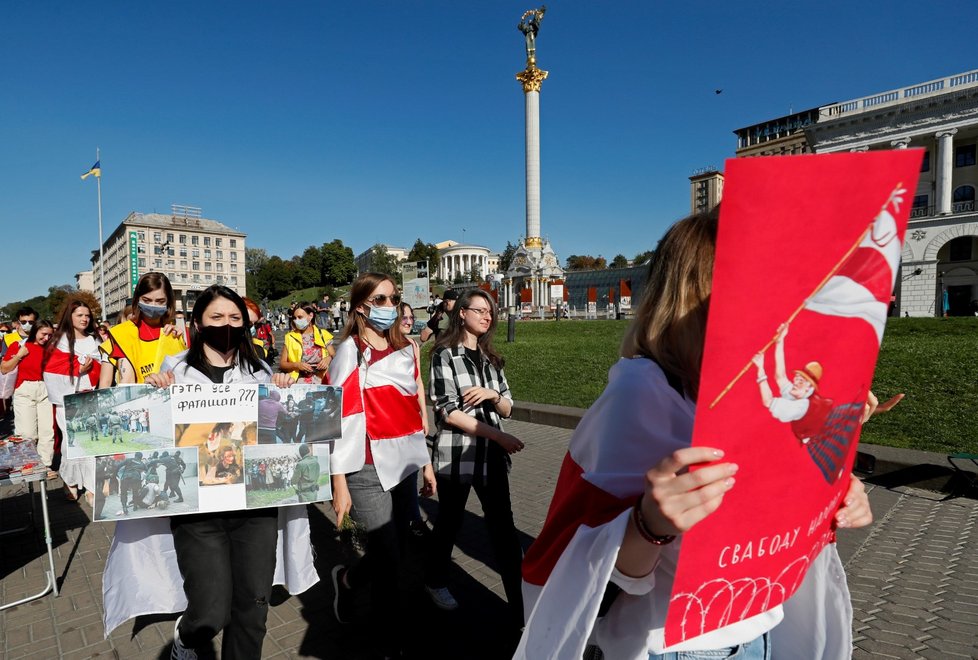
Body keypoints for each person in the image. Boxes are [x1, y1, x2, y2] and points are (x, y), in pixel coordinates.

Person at [515, 209, 876, 660]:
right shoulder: (642, 391)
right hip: (682, 643)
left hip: (761, 626)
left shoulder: (746, 383)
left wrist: (837, 494)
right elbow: (592, 569)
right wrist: (651, 523)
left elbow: (773, 486)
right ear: (702, 293)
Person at [105, 284, 309, 659]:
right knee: (211, 610)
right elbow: (145, 434)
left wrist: (284, 391)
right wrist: (152, 394)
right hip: (198, 514)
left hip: (254, 511)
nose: (226, 325)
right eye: (216, 317)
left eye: (235, 318)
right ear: (198, 322)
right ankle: (186, 638)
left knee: (253, 607)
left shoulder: (260, 372)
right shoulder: (175, 372)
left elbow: (281, 434)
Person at [327, 273, 436, 659]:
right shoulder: (349, 352)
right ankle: (390, 643)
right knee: (389, 557)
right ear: (360, 306)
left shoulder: (407, 349)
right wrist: (338, 480)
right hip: (366, 468)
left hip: (404, 463)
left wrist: (425, 465)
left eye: (393, 299)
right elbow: (335, 418)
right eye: (380, 299)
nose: (389, 307)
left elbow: (412, 411)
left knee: (398, 548)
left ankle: (349, 578)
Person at [423, 289, 525, 624]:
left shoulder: (491, 359)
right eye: (479, 310)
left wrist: (492, 395)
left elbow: (508, 407)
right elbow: (447, 411)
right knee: (449, 522)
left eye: (490, 312)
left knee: (504, 529)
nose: (487, 316)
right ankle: (436, 580)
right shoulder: (444, 355)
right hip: (457, 457)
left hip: (492, 458)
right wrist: (498, 435)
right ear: (462, 313)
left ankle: (521, 601)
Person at [43, 297, 102, 498]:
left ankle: (92, 486)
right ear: (70, 316)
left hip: (90, 397)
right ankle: (70, 482)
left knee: (91, 442)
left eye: (87, 315)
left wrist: (89, 369)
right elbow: (51, 371)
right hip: (66, 401)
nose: (84, 319)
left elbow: (103, 366)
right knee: (72, 441)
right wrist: (77, 368)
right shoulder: (58, 341)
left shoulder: (95, 340)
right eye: (80, 315)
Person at [99, 272, 186, 387]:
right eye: (146, 300)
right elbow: (125, 383)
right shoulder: (123, 334)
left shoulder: (177, 333)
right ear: (137, 300)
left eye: (160, 301)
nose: (153, 305)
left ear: (169, 302)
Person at [0, 320, 55, 467]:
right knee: (27, 433)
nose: (47, 338)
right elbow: (4, 368)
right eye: (44, 334)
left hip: (46, 389)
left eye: (50, 335)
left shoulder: (52, 348)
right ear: (35, 331)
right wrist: (19, 355)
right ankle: (28, 463)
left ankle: (46, 464)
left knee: (47, 431)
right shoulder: (18, 345)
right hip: (24, 390)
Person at [399, 301, 432, 537]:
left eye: (411, 318)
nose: (409, 321)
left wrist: (424, 415)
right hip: (391, 416)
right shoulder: (385, 346)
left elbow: (418, 381)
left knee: (411, 468)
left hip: (411, 414)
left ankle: (413, 518)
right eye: (404, 318)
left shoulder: (412, 345)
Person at [280, 301, 335, 383]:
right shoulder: (290, 337)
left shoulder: (323, 334)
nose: (296, 320)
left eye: (300, 317)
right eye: (295, 318)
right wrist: (297, 365)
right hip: (299, 381)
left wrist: (328, 359)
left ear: (310, 316)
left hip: (322, 380)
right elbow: (282, 364)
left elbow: (334, 355)